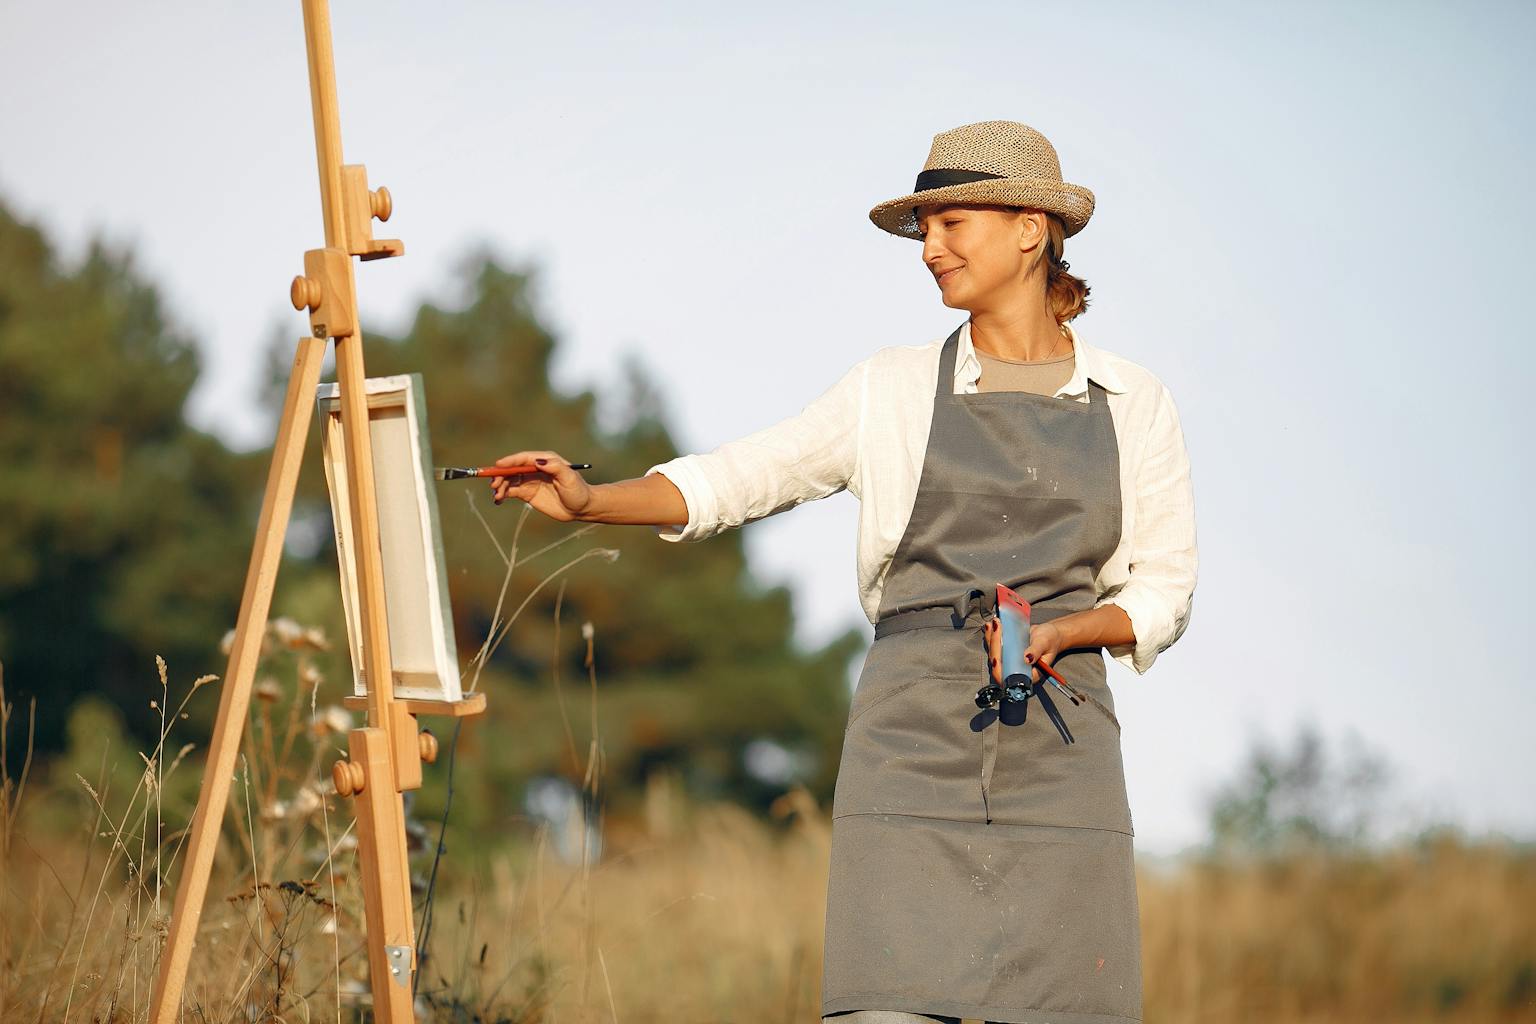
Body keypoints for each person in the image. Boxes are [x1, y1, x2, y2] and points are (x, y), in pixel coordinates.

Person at [489, 120, 1197, 1024]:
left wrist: (1065, 630)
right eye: (923, 230)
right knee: (885, 1006)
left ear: (1031, 229)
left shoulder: (1133, 402)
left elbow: (1164, 589)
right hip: (909, 745)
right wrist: (592, 501)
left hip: (1064, 748)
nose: (930, 248)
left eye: (951, 224)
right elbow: (747, 475)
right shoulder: (889, 389)